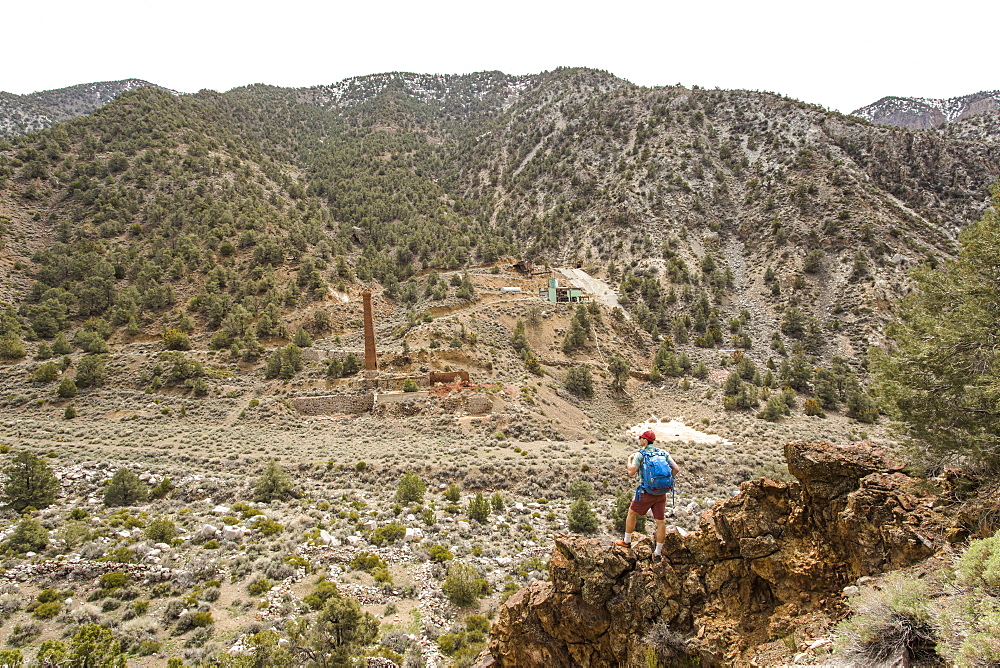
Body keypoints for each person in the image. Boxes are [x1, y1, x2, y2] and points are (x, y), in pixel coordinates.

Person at [615, 429, 679, 560]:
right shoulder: (663, 453)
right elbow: (676, 469)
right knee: (660, 522)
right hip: (662, 493)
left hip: (646, 492)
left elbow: (631, 472)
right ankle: (658, 553)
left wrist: (629, 459)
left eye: (641, 438)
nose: (639, 440)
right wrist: (667, 482)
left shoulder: (640, 455)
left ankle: (626, 542)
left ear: (645, 440)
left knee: (632, 513)